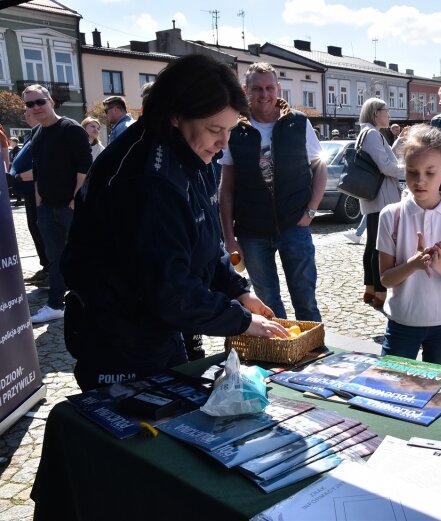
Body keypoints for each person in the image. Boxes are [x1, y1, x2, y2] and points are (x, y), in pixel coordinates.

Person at [60, 54, 289, 391]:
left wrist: (237, 290)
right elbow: (166, 286)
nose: (223, 142)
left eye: (229, 129)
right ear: (176, 116)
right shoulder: (144, 179)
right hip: (123, 336)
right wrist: (239, 321)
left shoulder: (194, 154)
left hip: (166, 325)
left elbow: (204, 241)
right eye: (215, 129)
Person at [219, 62, 327, 321]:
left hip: (294, 225)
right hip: (252, 231)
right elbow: (227, 189)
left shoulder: (298, 123)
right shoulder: (235, 130)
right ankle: (280, 355)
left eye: (269, 88)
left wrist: (311, 210)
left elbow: (320, 168)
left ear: (278, 89)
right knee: (267, 304)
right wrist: (229, 237)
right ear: (246, 90)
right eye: (257, 88)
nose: (264, 94)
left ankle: (314, 352)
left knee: (306, 300)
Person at [377, 124, 441, 366]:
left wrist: (438, 264)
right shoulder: (391, 215)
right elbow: (386, 279)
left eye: (430, 172)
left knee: (435, 397)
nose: (420, 181)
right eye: (412, 172)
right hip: (402, 323)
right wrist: (413, 264)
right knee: (390, 390)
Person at [24, 84, 93, 323]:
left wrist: (75, 201)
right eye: (30, 104)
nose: (36, 107)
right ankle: (56, 304)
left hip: (70, 207)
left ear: (51, 101)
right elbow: (37, 169)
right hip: (47, 208)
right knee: (54, 259)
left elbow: (85, 168)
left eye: (39, 101)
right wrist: (39, 200)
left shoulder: (71, 129)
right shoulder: (36, 133)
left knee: (81, 256)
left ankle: (91, 302)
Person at [354, 97, 405, 309]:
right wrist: (410, 170)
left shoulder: (369, 132)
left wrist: (400, 141)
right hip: (380, 196)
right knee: (378, 245)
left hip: (374, 195)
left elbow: (386, 158)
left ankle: (370, 289)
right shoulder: (372, 133)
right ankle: (380, 293)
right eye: (386, 110)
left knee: (371, 244)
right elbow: (386, 167)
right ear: (376, 113)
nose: (389, 113)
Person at [11, 108, 48, 286]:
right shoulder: (32, 133)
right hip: (28, 191)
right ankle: (45, 267)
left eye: (29, 112)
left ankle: (51, 270)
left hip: (38, 191)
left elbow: (45, 164)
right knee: (34, 229)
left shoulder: (43, 133)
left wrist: (22, 176)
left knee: (42, 231)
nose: (25, 114)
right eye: (24, 111)